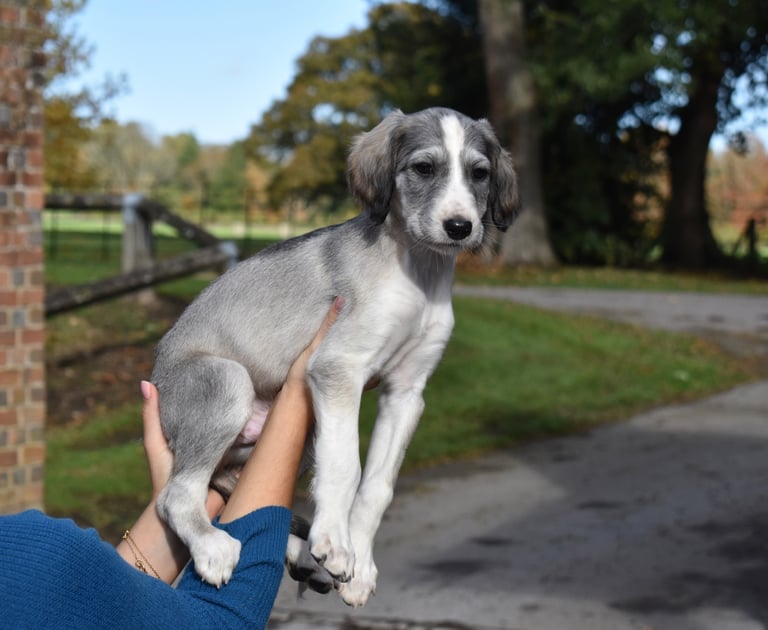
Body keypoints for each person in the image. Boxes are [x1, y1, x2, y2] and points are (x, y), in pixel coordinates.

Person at [0, 297, 344, 630]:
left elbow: (100, 613)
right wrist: (298, 395)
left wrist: (198, 493)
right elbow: (218, 623)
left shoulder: (27, 564)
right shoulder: (32, 559)